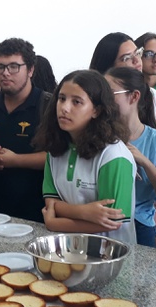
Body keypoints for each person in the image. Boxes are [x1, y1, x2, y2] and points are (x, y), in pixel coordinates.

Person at [34, 70, 136, 244]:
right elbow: (50, 203)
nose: (65, 108)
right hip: (68, 248)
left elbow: (112, 220)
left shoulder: (114, 155)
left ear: (96, 110)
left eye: (77, 102)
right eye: (61, 98)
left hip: (110, 251)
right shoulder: (55, 149)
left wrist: (54, 223)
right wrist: (85, 212)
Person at [103, 67, 156, 247]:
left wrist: (144, 162)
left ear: (134, 97)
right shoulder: (99, 137)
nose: (103, 100)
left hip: (141, 226)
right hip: (103, 223)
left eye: (110, 93)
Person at [0, 38, 50, 222]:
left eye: (13, 67)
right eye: (0, 67)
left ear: (30, 70)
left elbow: (59, 158)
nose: (5, 73)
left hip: (34, 212)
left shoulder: (48, 106)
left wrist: (14, 160)